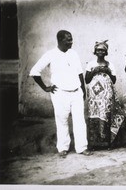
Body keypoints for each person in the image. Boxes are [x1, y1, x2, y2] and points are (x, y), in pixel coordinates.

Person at [29, 30, 92, 158]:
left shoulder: (74, 54)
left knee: (80, 120)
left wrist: (83, 90)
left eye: (71, 39)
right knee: (62, 120)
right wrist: (45, 88)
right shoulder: (50, 54)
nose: (71, 42)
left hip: (76, 92)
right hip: (60, 93)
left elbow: (80, 73)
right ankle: (63, 148)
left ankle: (82, 148)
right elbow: (34, 71)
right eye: (68, 39)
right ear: (60, 40)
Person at [85, 40, 126, 150]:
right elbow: (87, 80)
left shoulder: (110, 64)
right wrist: (94, 71)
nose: (100, 52)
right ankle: (94, 144)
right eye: (98, 50)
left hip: (106, 97)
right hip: (94, 98)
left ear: (106, 52)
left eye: (103, 50)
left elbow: (114, 80)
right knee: (94, 116)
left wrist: (107, 71)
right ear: (95, 51)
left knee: (106, 115)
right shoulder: (90, 64)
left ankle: (107, 143)